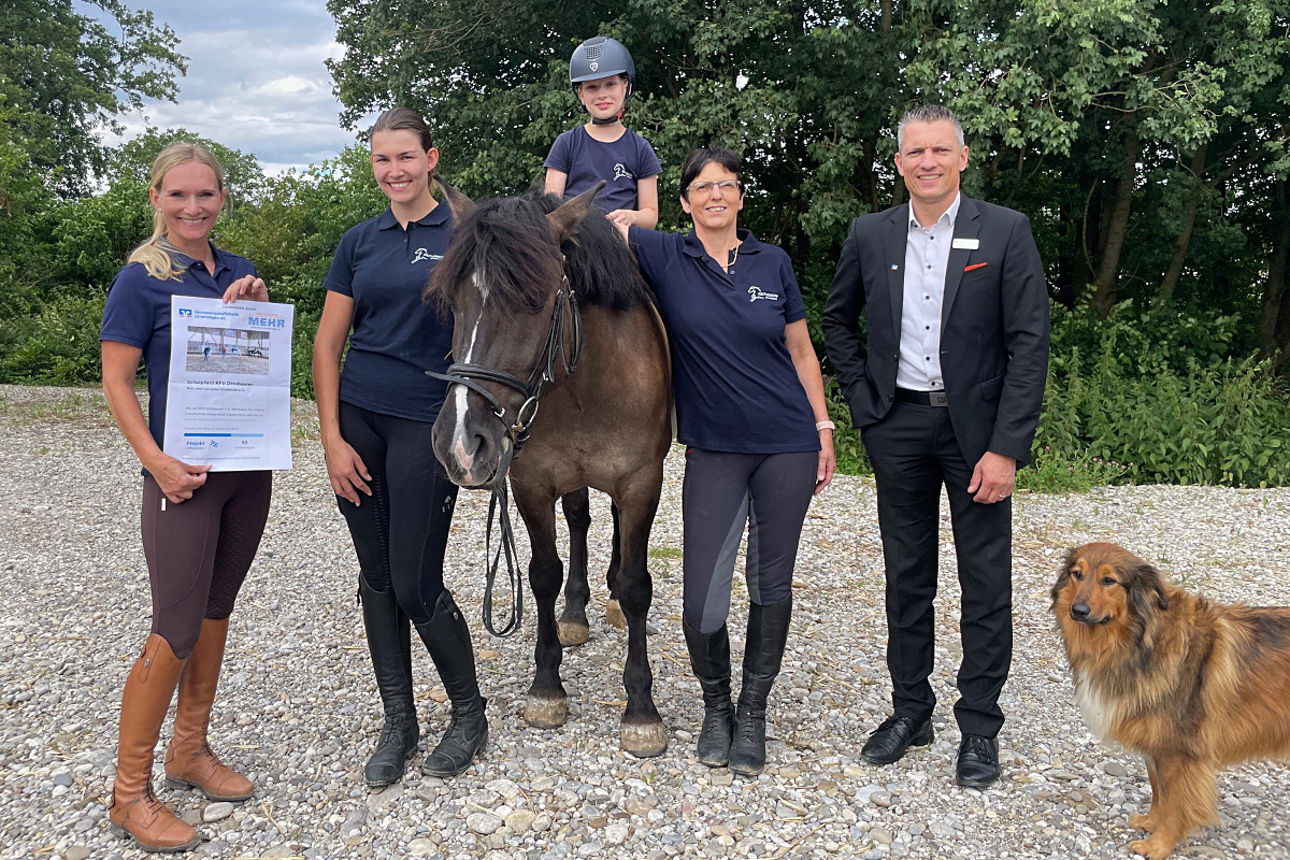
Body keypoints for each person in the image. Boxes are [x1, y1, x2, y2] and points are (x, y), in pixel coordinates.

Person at [821, 104, 1050, 788]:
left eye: (939, 151)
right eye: (914, 152)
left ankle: (978, 726)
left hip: (977, 435)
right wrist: (866, 406)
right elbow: (836, 321)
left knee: (985, 582)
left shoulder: (1004, 232)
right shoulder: (871, 234)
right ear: (898, 163)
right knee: (906, 576)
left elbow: (1029, 343)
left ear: (963, 156)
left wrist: (1008, 446)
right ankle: (909, 710)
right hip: (899, 427)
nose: (927, 162)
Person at [617, 147, 836, 776]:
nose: (716, 195)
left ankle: (754, 710)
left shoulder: (774, 262)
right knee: (701, 604)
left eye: (728, 185)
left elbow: (801, 351)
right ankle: (716, 705)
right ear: (684, 202)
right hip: (713, 450)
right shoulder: (666, 255)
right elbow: (605, 228)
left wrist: (822, 426)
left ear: (741, 197)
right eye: (703, 187)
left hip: (787, 443)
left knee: (771, 585)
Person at [100, 142, 272, 853]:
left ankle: (189, 751)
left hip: (245, 472)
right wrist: (156, 462)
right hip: (183, 479)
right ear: (155, 198)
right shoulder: (141, 278)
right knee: (173, 624)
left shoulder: (234, 271)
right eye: (179, 195)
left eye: (206, 195)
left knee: (214, 611)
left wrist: (258, 312)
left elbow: (250, 359)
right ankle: (127, 794)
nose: (193, 207)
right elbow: (115, 383)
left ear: (222, 198)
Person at [313, 107, 486, 788]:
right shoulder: (359, 241)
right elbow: (328, 344)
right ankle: (400, 720)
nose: (395, 171)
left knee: (416, 580)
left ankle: (469, 713)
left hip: (426, 419)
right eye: (383, 160)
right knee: (376, 576)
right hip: (359, 418)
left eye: (406, 157)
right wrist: (329, 437)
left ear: (431, 158)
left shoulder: (466, 234)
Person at [545, 35, 661, 229]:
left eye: (610, 84)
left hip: (620, 244)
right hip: (574, 241)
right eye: (592, 87)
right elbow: (549, 206)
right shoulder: (566, 143)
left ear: (626, 86)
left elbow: (651, 215)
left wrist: (631, 217)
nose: (602, 95)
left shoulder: (640, 148)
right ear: (581, 94)